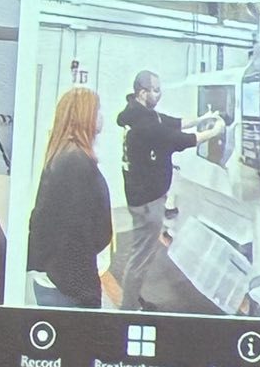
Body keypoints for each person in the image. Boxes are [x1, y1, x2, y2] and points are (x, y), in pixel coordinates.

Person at [116, 70, 225, 313]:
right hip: (147, 202)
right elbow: (180, 139)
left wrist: (202, 118)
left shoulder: (138, 113)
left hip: (141, 196)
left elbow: (173, 122)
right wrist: (214, 132)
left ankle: (132, 299)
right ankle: (128, 309)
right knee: (141, 256)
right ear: (142, 92)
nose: (160, 94)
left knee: (141, 253)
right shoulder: (145, 125)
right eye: (155, 90)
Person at [26, 87, 113, 308]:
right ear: (84, 115)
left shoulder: (64, 155)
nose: (102, 116)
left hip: (57, 279)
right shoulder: (77, 163)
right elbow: (78, 230)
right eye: (98, 110)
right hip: (68, 286)